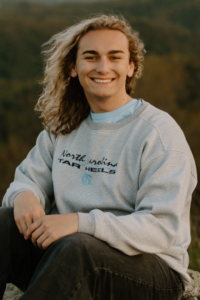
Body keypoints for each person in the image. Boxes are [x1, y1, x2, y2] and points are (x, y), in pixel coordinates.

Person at [0, 14, 197, 300]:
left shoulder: (159, 133)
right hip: (69, 254)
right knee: (4, 224)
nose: (103, 67)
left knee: (78, 249)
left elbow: (161, 229)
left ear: (131, 67)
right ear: (72, 67)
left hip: (152, 271)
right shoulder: (65, 126)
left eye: (115, 57)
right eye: (91, 57)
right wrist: (24, 196)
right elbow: (27, 179)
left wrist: (80, 222)